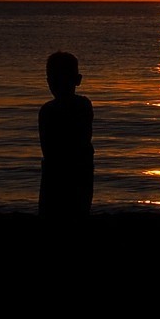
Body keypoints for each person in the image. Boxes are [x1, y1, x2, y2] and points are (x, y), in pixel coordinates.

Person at [38, 51, 94, 218]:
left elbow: (47, 148)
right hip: (78, 171)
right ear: (78, 80)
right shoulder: (83, 105)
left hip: (59, 174)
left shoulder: (48, 110)